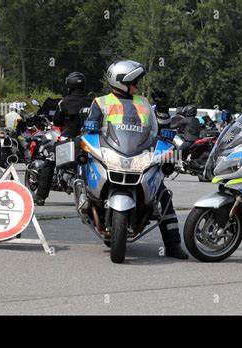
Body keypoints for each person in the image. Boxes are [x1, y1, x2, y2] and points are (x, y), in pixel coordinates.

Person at [85, 59, 188, 259]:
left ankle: (173, 245)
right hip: (111, 152)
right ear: (122, 81)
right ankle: (87, 202)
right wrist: (89, 126)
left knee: (163, 195)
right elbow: (90, 124)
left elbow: (158, 127)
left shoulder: (143, 103)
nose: (137, 86)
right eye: (134, 82)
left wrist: (164, 109)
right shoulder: (100, 102)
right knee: (84, 172)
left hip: (138, 154)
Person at [35, 71, 92, 206]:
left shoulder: (63, 103)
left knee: (49, 162)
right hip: (89, 142)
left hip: (69, 141)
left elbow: (57, 123)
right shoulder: (93, 101)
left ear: (69, 85)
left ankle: (40, 196)